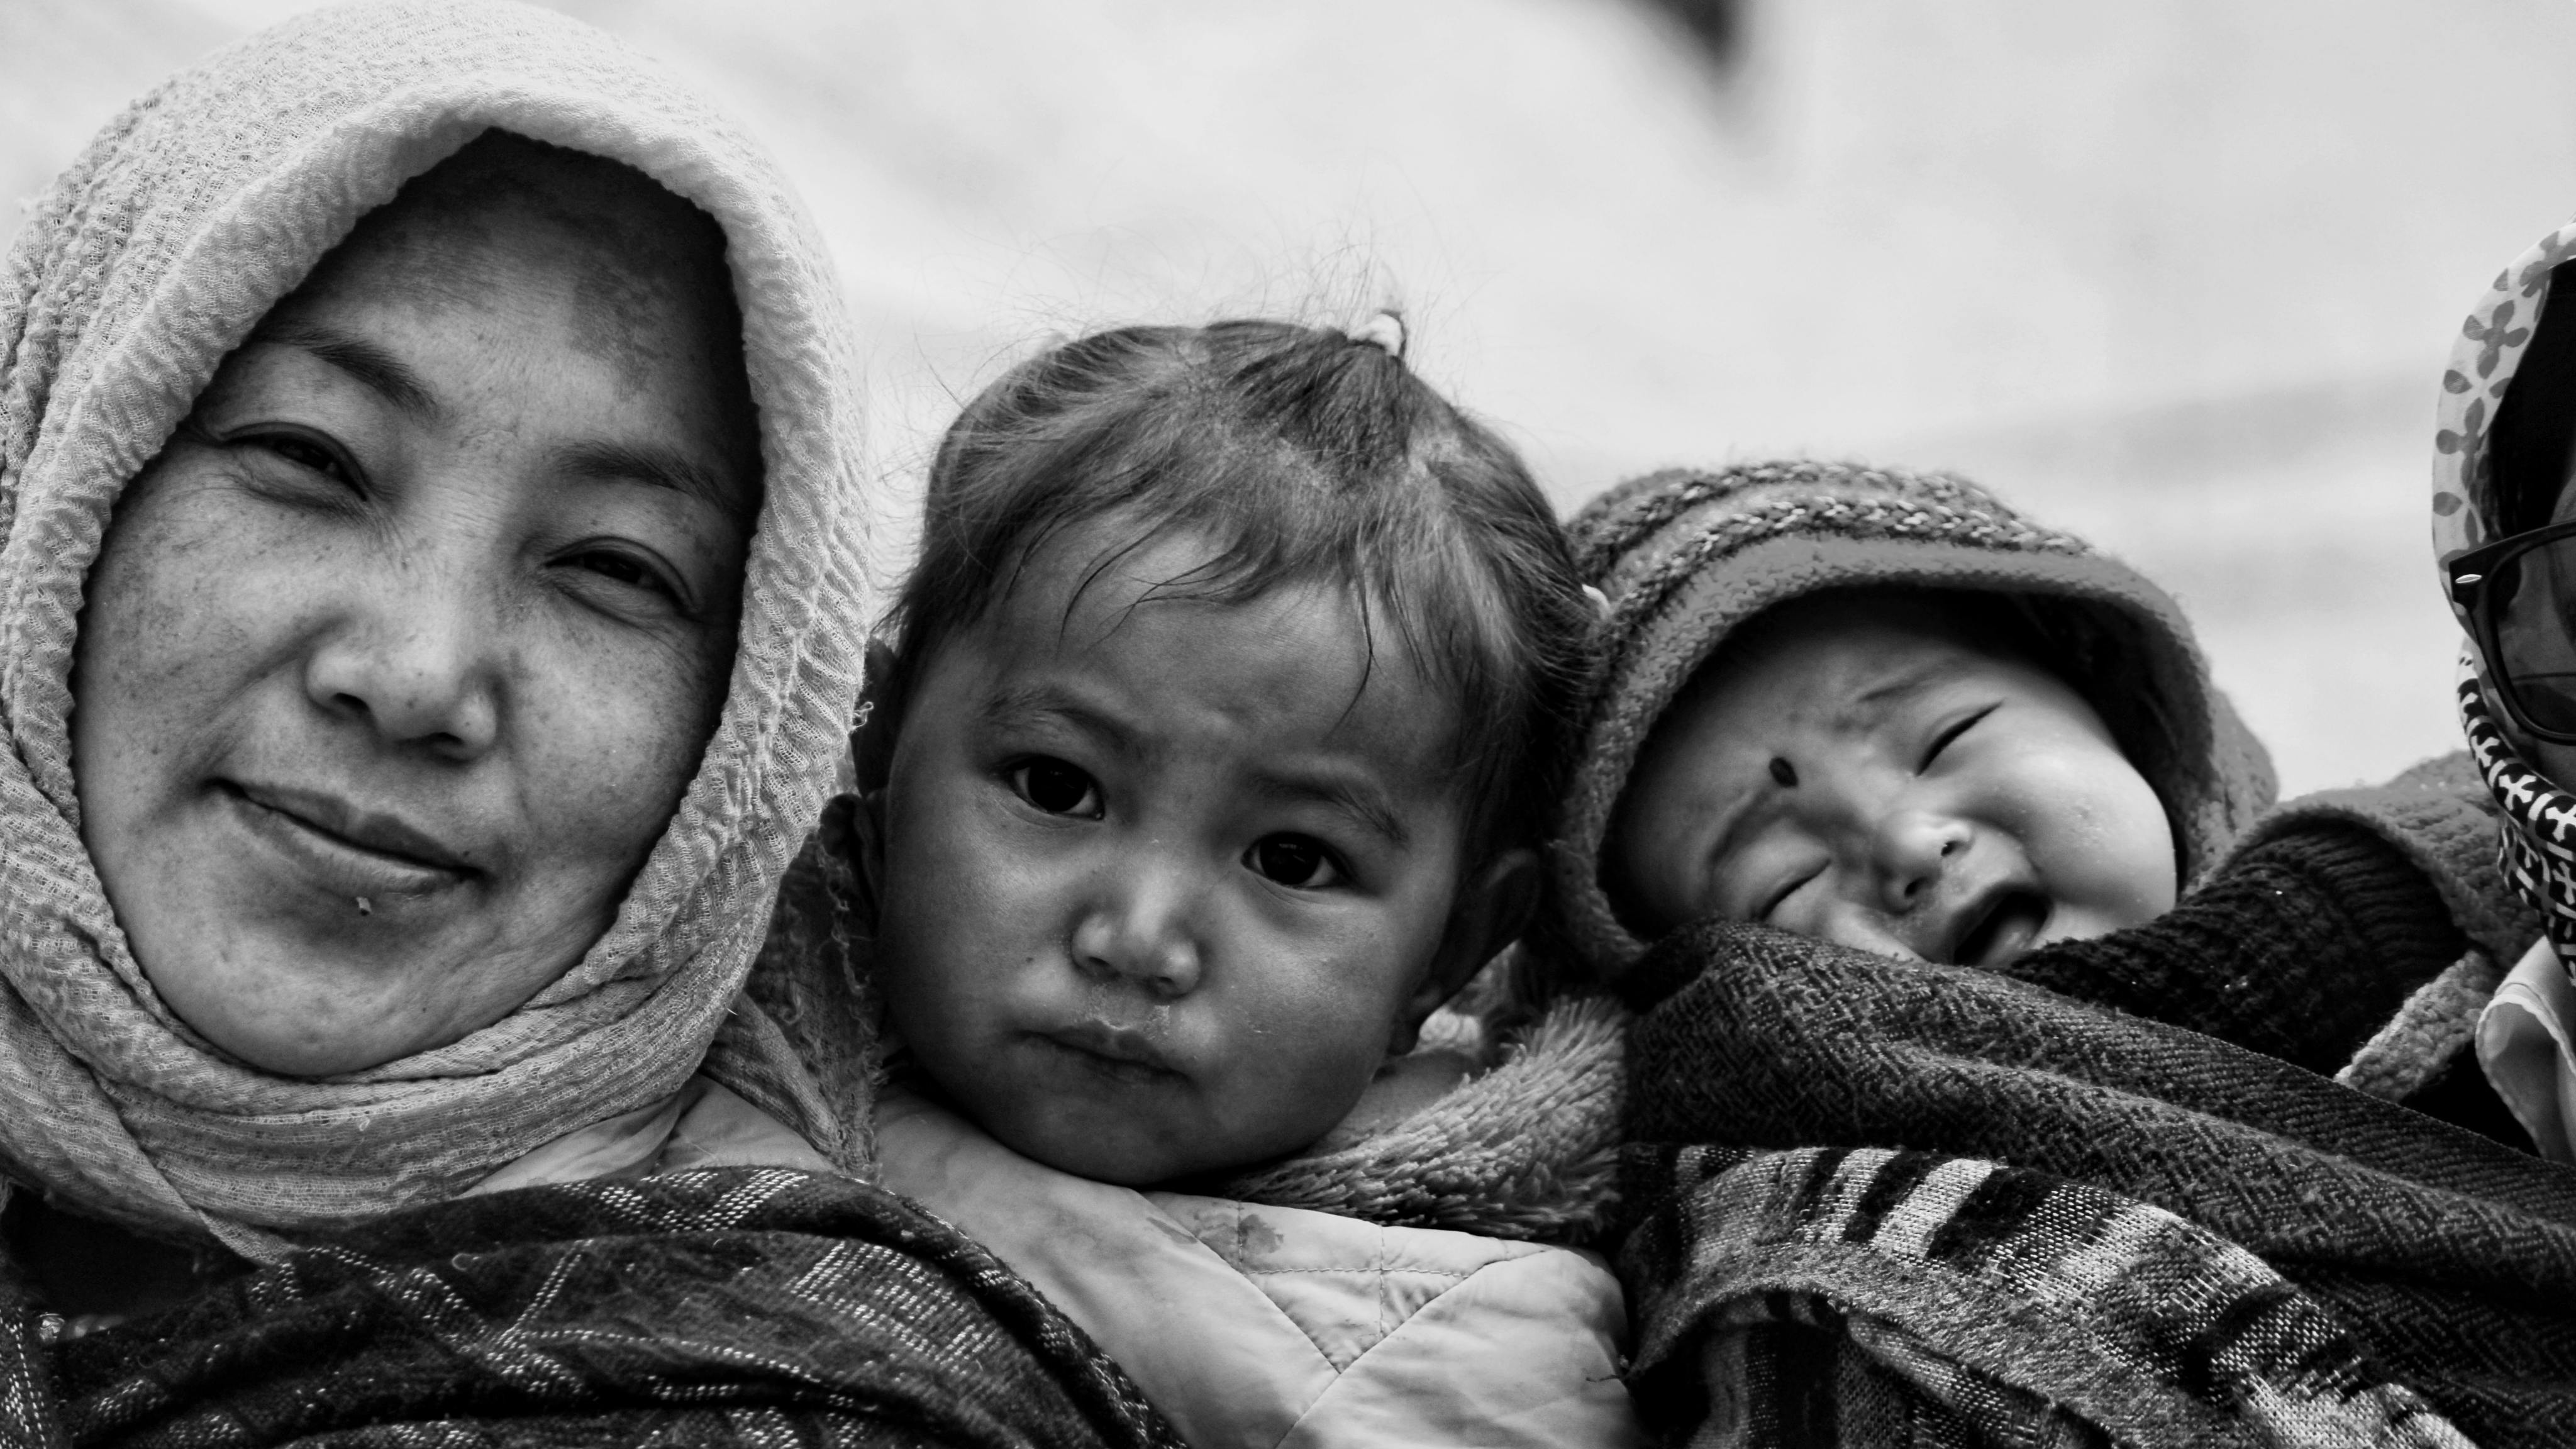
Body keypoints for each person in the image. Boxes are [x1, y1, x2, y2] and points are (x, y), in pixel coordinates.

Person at [0, 4, 1177, 1443]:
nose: (420, 675)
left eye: (614, 567)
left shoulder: (790, 1400)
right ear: (59, 479)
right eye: (307, 458)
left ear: (748, 740)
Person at [1556, 460, 2576, 1446]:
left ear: (2126, 715)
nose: (1906, 849)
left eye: (1947, 736)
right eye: (1780, 881)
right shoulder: (1819, 1269)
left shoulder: (2518, 870)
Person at [850, 318, 1645, 1447]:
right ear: (878, 748)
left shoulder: (1452, 1348)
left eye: (1291, 860)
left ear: (1452, 951)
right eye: (1055, 785)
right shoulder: (652, 1024)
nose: (1138, 938)